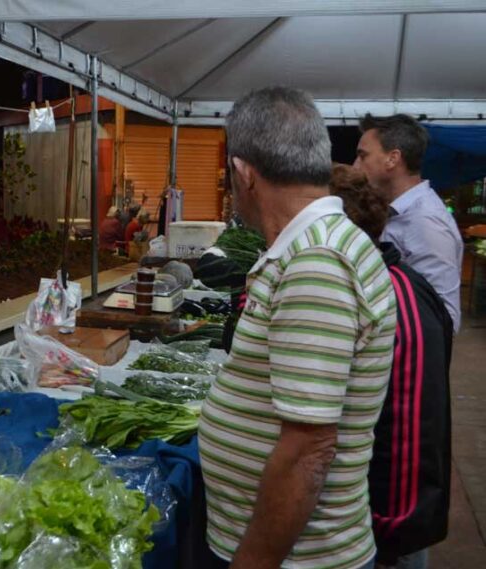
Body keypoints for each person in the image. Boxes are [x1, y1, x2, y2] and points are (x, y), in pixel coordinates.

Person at [197, 87, 397, 569]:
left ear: (244, 173)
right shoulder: (313, 245)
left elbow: (309, 450)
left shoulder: (316, 261)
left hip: (300, 558)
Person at [330, 164, 452, 569]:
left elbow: (408, 423)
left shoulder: (386, 295)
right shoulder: (395, 280)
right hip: (391, 510)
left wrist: (387, 526)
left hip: (391, 519)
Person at [353, 114, 463, 333]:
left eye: (362, 156)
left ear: (392, 159)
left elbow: (444, 317)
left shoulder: (425, 221)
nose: (355, 165)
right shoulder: (397, 213)